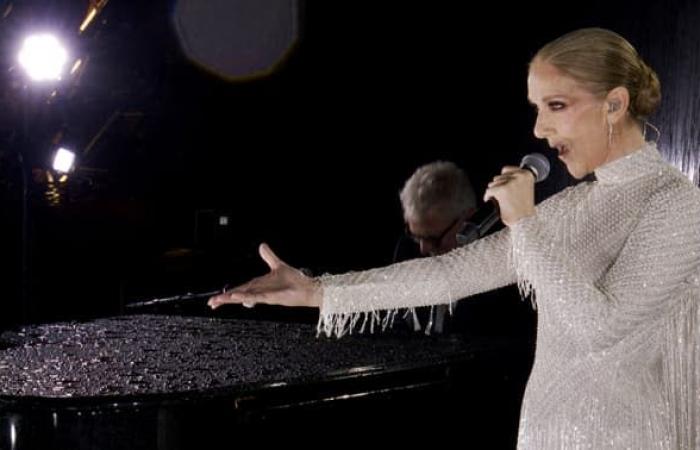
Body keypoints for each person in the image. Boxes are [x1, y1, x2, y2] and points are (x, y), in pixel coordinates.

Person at [209, 28, 700, 449]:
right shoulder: (573, 207)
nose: (539, 128)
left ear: (615, 103)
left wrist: (525, 223)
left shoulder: (678, 204)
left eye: (557, 106)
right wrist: (318, 291)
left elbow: (602, 329)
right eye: (536, 108)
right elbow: (451, 271)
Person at [395, 160, 476, 333]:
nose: (423, 249)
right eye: (416, 236)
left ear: (466, 220)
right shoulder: (407, 249)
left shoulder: (500, 261)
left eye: (433, 238)